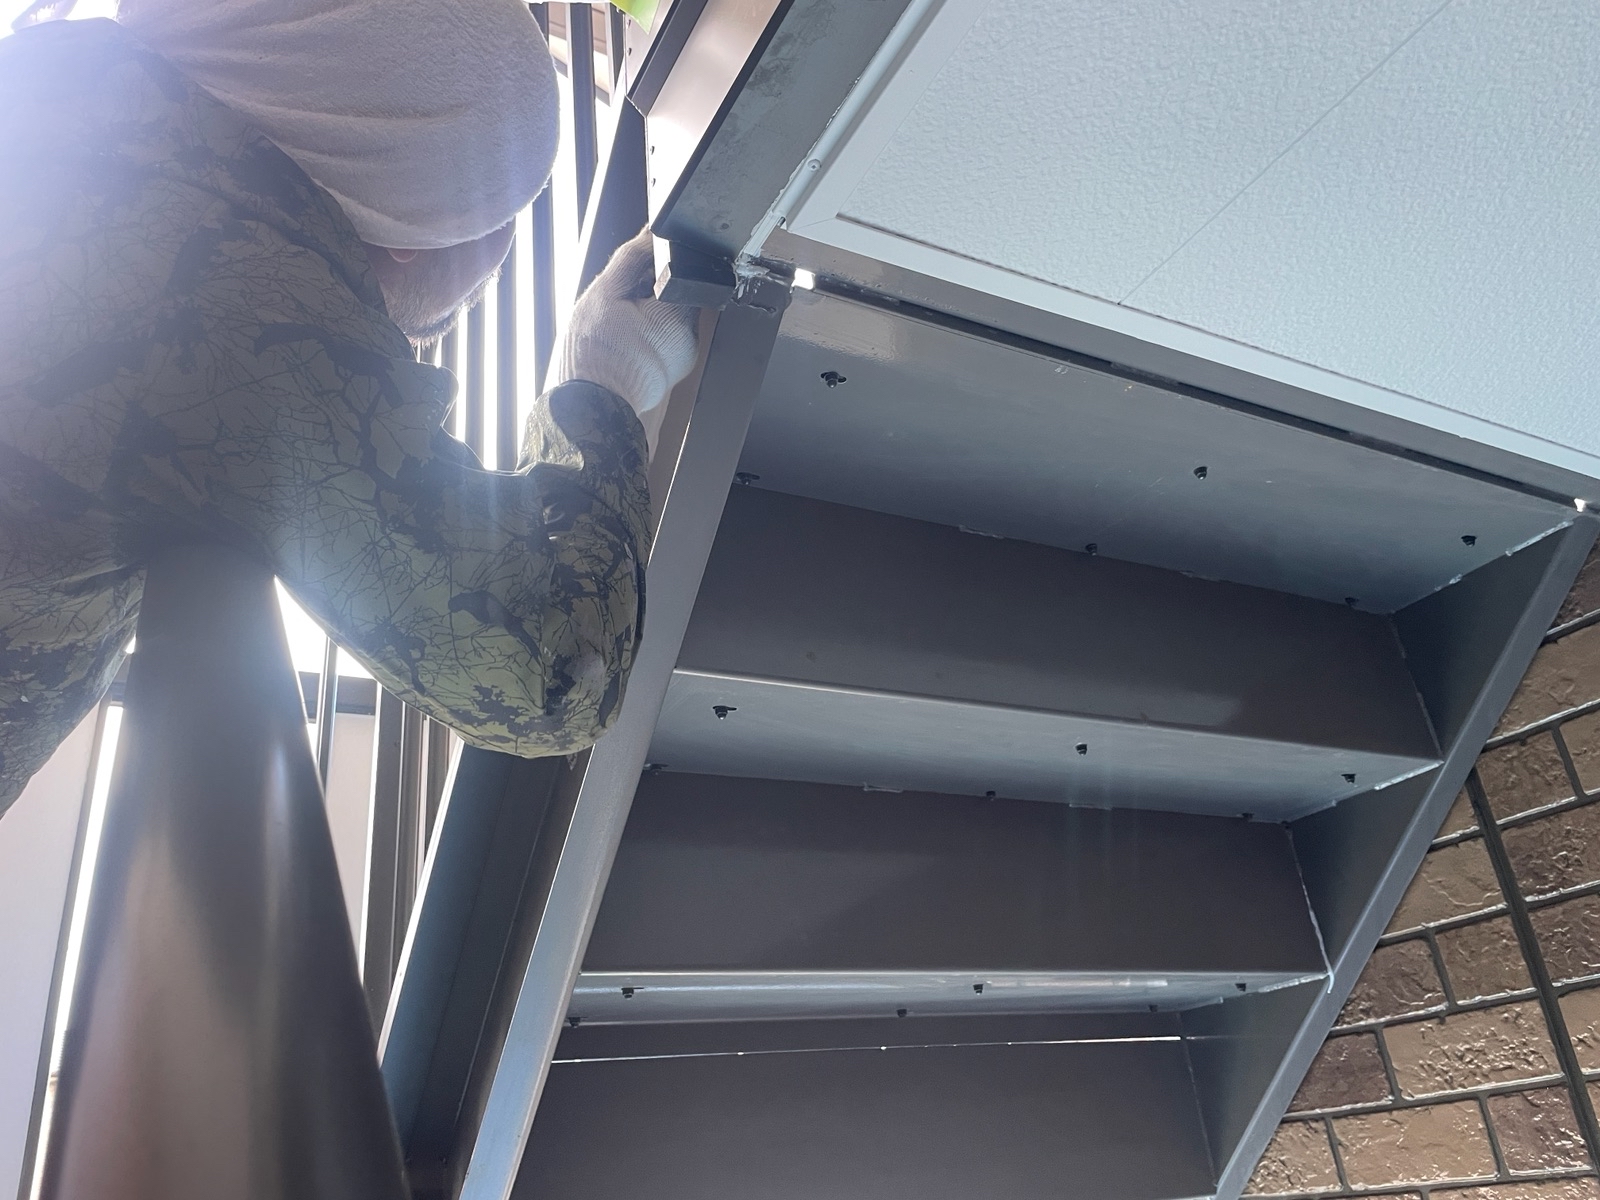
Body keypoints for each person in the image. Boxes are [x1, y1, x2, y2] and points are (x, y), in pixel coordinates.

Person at [0, 0, 700, 816]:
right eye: (500, 217)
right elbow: (556, 674)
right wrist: (605, 377)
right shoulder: (244, 308)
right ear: (418, 225)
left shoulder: (62, 123)